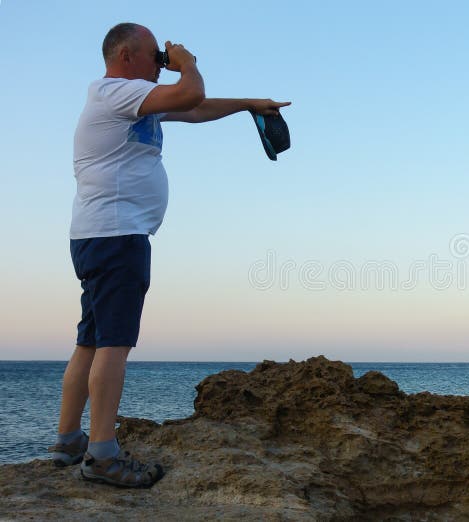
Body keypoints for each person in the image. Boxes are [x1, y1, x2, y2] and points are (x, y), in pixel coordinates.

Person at [48, 22, 290, 488]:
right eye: (154, 55)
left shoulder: (130, 100)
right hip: (118, 238)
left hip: (101, 236)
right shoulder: (115, 92)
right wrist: (186, 61)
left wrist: (248, 105)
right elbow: (189, 91)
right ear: (125, 57)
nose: (160, 62)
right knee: (114, 343)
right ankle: (101, 456)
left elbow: (195, 107)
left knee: (91, 341)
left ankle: (68, 441)